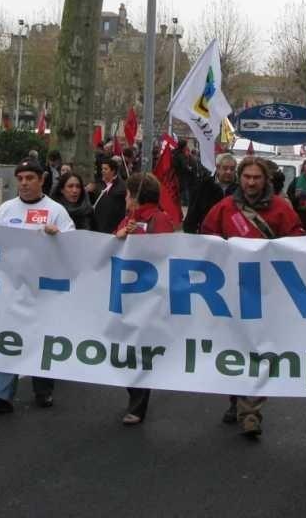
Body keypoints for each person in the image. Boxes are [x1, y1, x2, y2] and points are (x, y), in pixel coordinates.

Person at [201, 155, 304, 439]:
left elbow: (297, 242)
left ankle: (251, 411)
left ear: (265, 180)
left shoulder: (281, 210)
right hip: (231, 292)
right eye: (246, 177)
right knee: (235, 348)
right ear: (239, 178)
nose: (251, 182)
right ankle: (236, 399)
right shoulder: (224, 209)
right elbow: (207, 239)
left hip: (266, 293)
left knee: (259, 350)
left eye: (256, 177)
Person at [0, 159, 76, 414]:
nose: (24, 183)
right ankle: (0, 395)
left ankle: (43, 389)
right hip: (11, 288)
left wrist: (59, 238)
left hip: (44, 290)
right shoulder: (5, 210)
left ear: (42, 180)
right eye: (20, 178)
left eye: (30, 178)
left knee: (41, 339)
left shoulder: (56, 211)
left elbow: (76, 246)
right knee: (9, 339)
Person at [113, 172, 174, 425]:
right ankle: (135, 395)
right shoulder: (129, 219)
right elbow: (110, 247)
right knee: (126, 349)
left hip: (148, 297)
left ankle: (138, 404)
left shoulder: (159, 219)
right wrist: (120, 237)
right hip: (125, 295)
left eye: (128, 194)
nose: (126, 198)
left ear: (136, 196)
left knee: (140, 350)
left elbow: (164, 251)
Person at [182, 153, 237, 234]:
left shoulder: (240, 189)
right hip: (208, 235)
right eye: (225, 168)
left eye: (232, 169)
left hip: (232, 237)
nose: (229, 172)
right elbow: (193, 212)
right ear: (218, 168)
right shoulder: (203, 186)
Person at [90, 156, 127, 233]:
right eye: (102, 169)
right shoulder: (97, 184)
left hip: (113, 227)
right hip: (97, 226)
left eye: (105, 169)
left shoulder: (122, 187)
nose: (102, 171)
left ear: (113, 171)